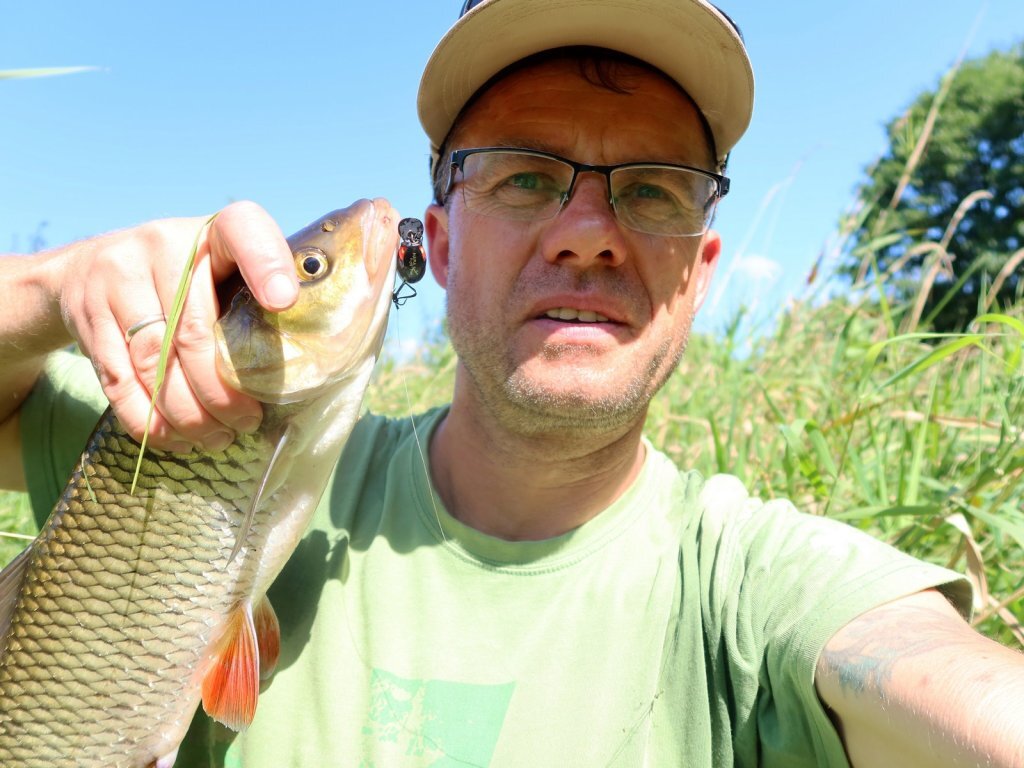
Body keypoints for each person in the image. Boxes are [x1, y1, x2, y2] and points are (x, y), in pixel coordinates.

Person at [1, 0, 1022, 765]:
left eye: (654, 189)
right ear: (437, 246)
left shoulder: (750, 582)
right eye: (526, 175)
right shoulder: (180, 428)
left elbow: (949, 680)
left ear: (700, 273)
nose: (586, 235)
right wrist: (50, 289)